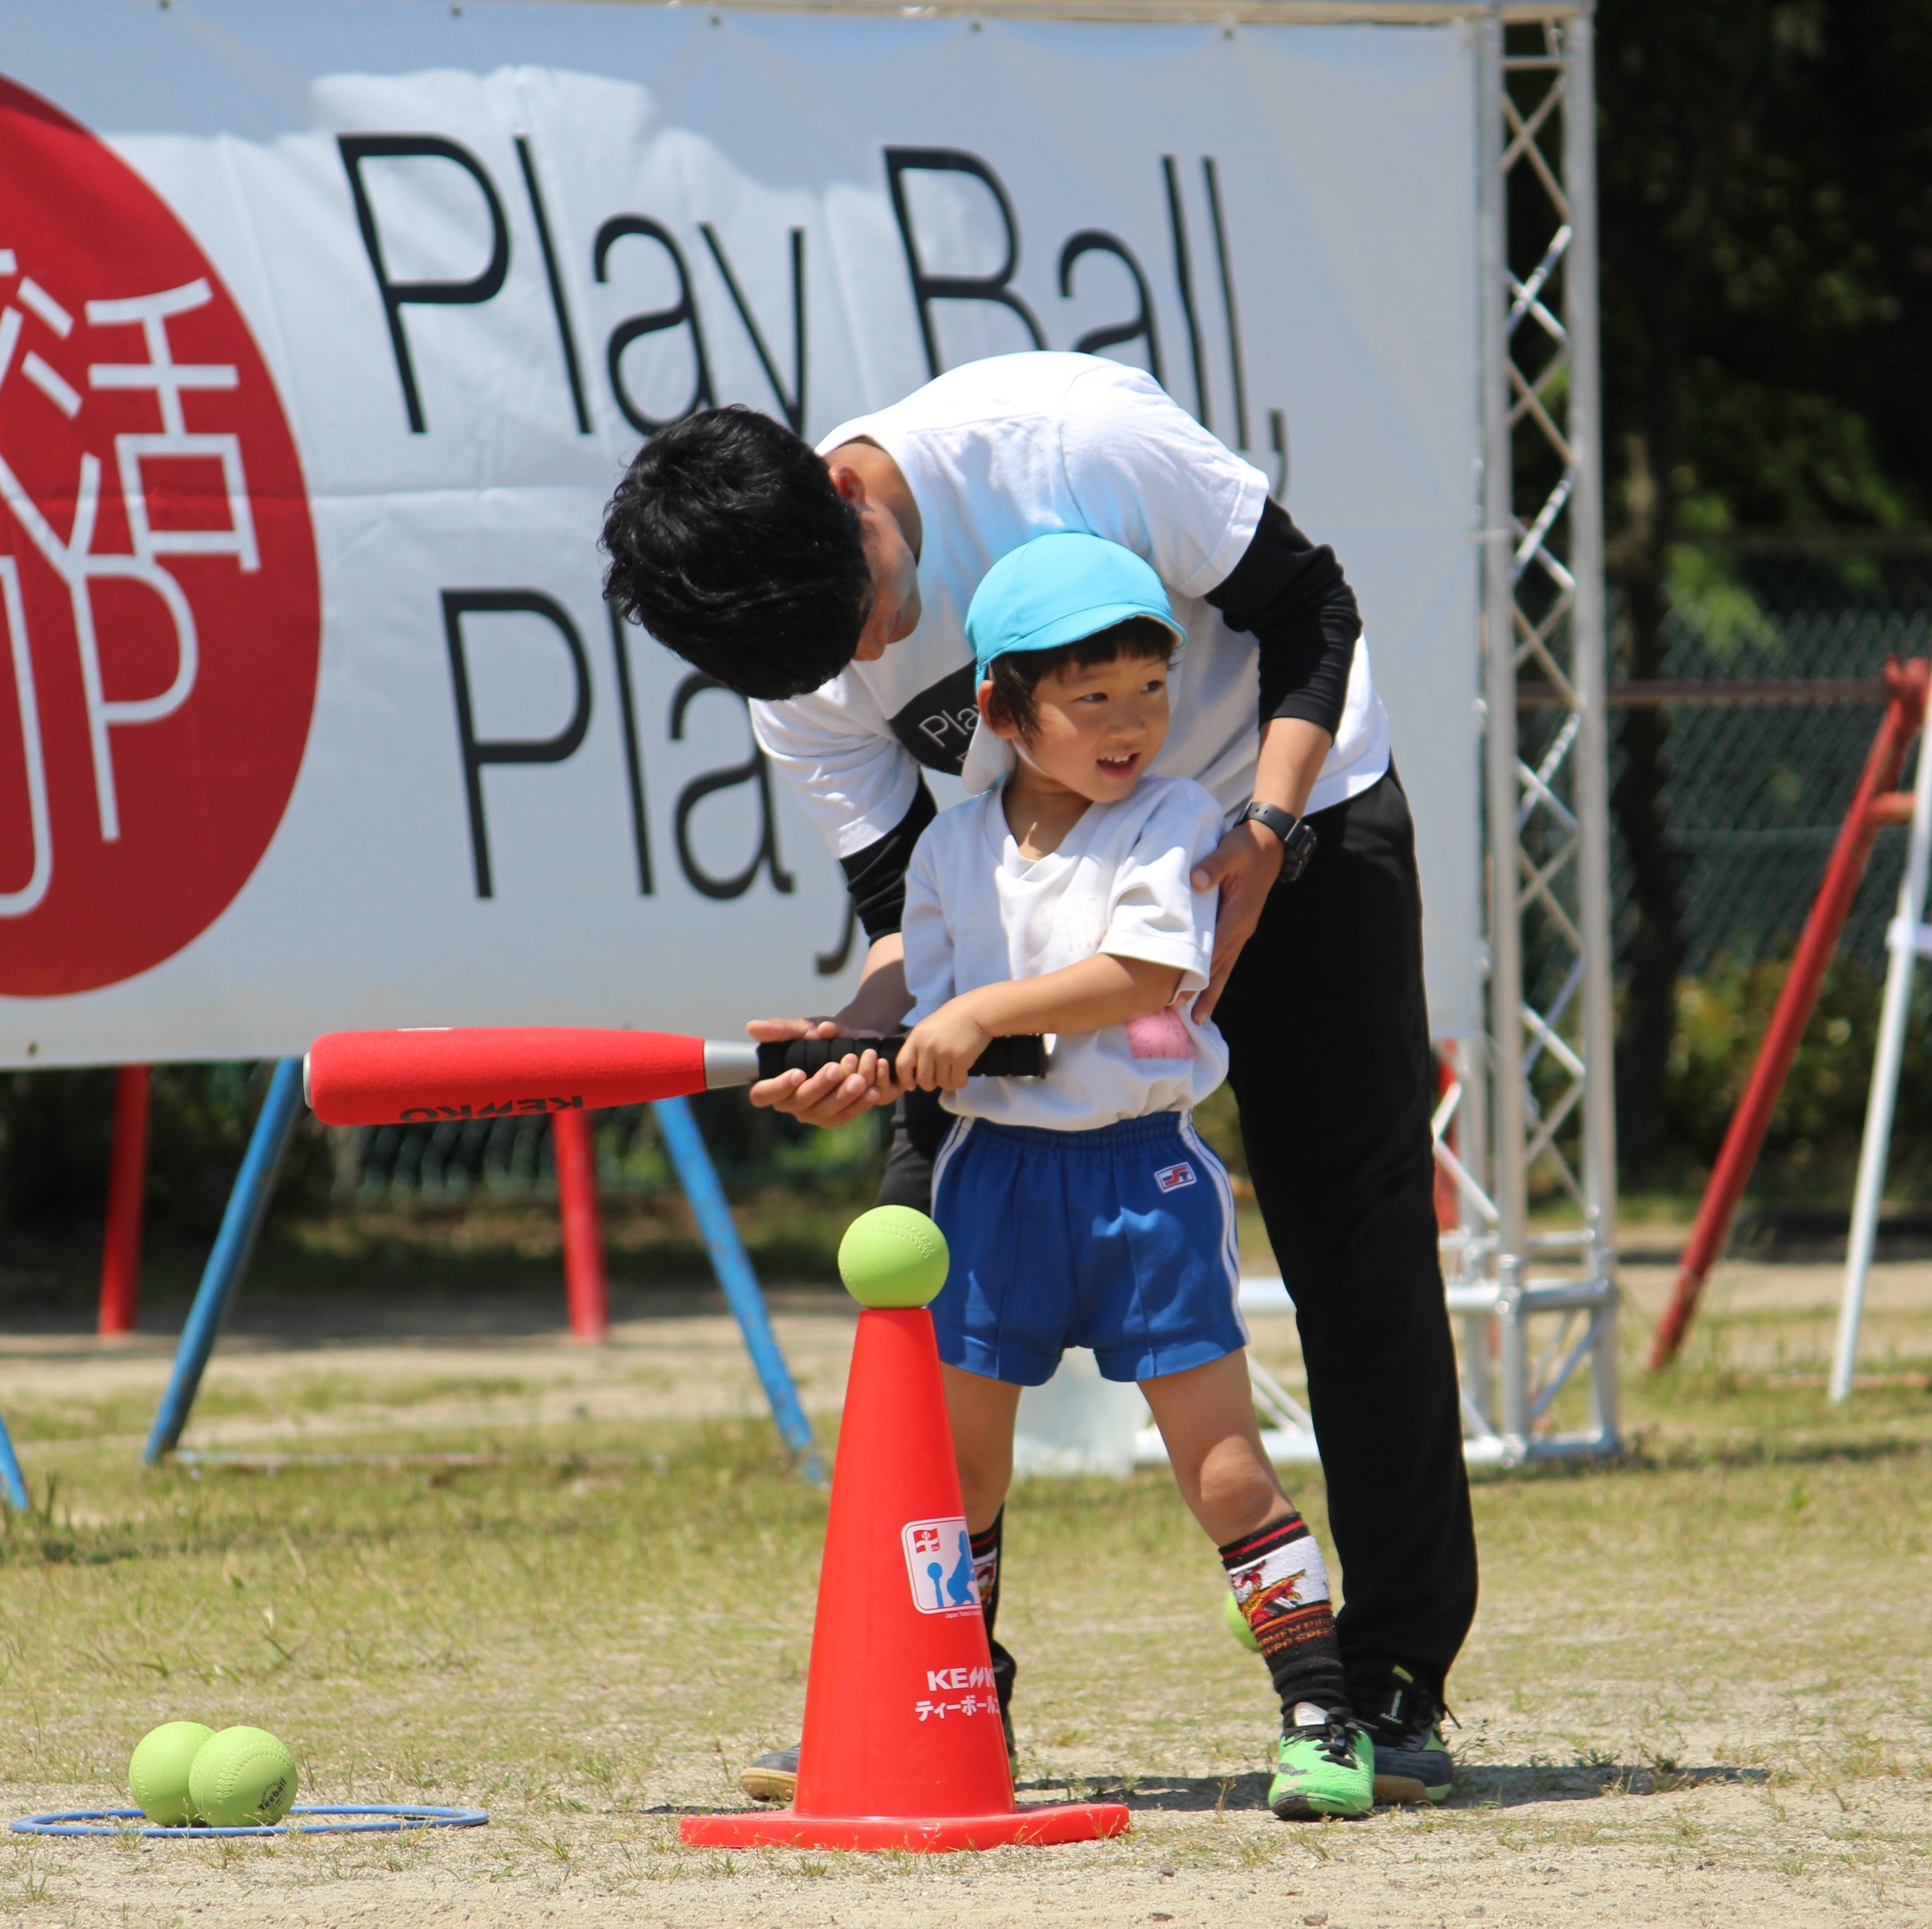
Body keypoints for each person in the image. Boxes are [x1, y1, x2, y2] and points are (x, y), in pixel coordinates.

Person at [600, 352, 1472, 1806]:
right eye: (831, 657)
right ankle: (938, 1687)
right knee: (917, 1261)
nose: (869, 647)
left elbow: (1311, 608)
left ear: (847, 492)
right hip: (1042, 892)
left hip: (1286, 818)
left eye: (873, 608)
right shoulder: (801, 670)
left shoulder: (1072, 442)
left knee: (1355, 1235)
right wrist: (856, 1045)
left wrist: (1261, 831)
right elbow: (903, 937)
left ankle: (1383, 1674)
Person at [883, 532, 1373, 1817]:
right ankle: (958, 1700)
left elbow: (1148, 981)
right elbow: (936, 1031)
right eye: (1089, 698)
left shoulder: (1173, 816)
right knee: (959, 1478)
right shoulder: (945, 855)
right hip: (992, 1184)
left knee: (1222, 1471)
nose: (1129, 723)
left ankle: (1321, 1706)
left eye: (1148, 689)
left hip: (1142, 1180)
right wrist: (852, 1056)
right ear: (1001, 710)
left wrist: (979, 1015)